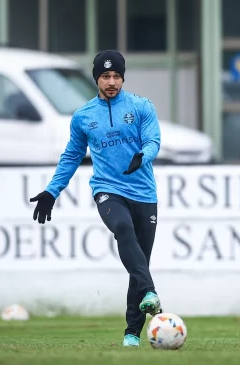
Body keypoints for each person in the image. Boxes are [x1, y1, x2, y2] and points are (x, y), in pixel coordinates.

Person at [29, 50, 163, 348]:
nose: (111, 81)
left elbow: (153, 140)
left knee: (139, 262)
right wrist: (53, 190)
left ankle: (131, 334)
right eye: (105, 76)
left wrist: (143, 157)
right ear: (96, 79)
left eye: (116, 76)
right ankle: (151, 292)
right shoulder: (83, 117)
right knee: (123, 229)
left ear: (123, 77)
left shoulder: (141, 107)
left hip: (144, 193)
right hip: (107, 190)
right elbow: (71, 156)